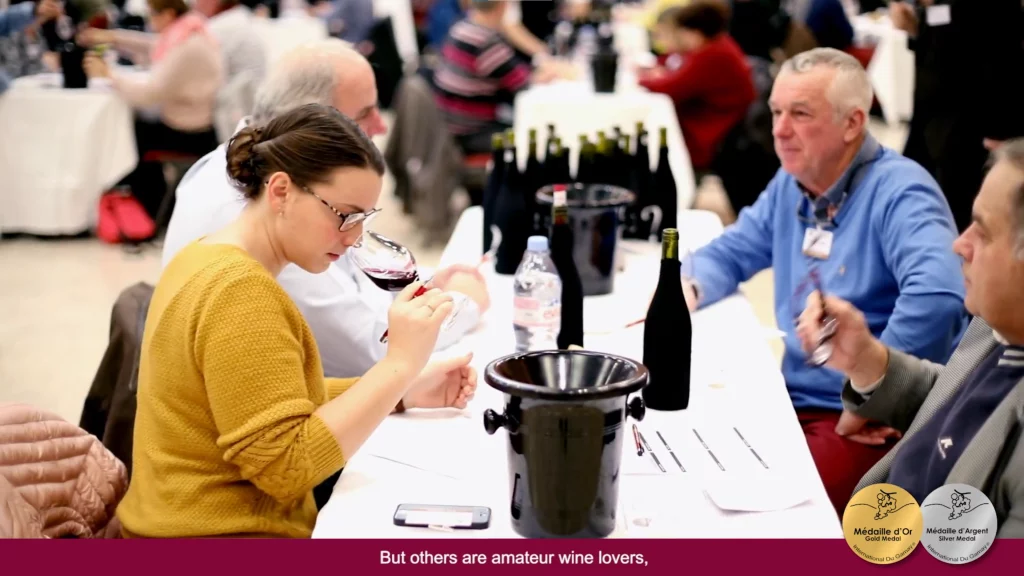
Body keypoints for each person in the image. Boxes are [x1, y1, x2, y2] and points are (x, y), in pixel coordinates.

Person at [115, 103, 477, 538]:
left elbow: (266, 398)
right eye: (345, 215)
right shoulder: (241, 292)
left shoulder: (202, 254)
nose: (355, 236)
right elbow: (287, 469)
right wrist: (398, 364)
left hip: (170, 524)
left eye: (364, 219)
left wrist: (401, 389)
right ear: (281, 191)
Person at [681, 47, 967, 513]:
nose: (778, 130)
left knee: (770, 516)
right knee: (691, 458)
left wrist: (872, 398)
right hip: (791, 397)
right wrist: (687, 287)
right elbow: (735, 249)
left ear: (853, 123)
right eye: (775, 111)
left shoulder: (901, 191)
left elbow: (939, 295)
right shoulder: (795, 181)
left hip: (859, 419)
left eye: (799, 114)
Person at [163, 40, 489, 381]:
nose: (381, 126)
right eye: (364, 114)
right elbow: (364, 352)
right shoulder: (257, 220)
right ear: (315, 122)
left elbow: (352, 289)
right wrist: (459, 306)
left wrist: (426, 286)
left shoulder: (266, 173)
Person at [798, 140, 1024, 535]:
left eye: (983, 234)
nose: (960, 244)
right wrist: (869, 361)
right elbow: (959, 401)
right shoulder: (995, 325)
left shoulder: (899, 189)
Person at [79, 0, 224, 220]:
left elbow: (149, 94)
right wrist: (112, 37)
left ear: (167, 14)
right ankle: (150, 207)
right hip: (195, 122)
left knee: (130, 133)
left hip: (190, 132)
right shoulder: (189, 31)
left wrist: (109, 75)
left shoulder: (187, 45)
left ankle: (146, 210)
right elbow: (152, 45)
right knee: (137, 126)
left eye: (151, 15)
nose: (149, 21)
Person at [889, 0, 1024, 233]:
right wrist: (915, 28)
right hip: (929, 124)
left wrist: (1002, 130)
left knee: (965, 218)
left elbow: (1003, 54)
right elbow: (938, 44)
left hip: (969, 128)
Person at [639, 1, 755, 174]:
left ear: (695, 31)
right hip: (716, 124)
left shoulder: (712, 55)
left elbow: (671, 88)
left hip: (710, 133)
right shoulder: (718, 44)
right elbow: (674, 62)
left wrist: (640, 79)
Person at [432, 0, 559, 155]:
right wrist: (548, 72)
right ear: (503, 6)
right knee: (538, 140)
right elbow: (524, 84)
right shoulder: (486, 41)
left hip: (448, 125)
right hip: (471, 132)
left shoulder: (460, 28)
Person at [192, 0, 267, 141]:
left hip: (231, 120)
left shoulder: (221, 27)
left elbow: (198, 76)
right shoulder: (239, 17)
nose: (195, 4)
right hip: (249, 115)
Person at [0, 0, 61, 93]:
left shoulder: (38, 35)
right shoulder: (12, 36)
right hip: (13, 91)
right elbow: (14, 69)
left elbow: (40, 65)